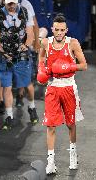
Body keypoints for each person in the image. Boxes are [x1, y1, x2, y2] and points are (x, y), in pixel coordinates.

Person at [37, 14, 87, 174]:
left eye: (62, 30)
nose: (59, 33)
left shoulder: (72, 43)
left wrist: (67, 67)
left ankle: (73, 153)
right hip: (52, 87)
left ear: (66, 30)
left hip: (69, 87)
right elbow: (41, 59)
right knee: (50, 125)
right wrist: (41, 71)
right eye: (56, 30)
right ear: (52, 29)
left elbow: (84, 65)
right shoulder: (46, 43)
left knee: (71, 124)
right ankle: (50, 162)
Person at [0, 0, 38, 128]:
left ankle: (32, 106)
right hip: (4, 56)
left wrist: (25, 46)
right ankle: (9, 116)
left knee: (27, 85)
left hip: (21, 55)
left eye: (13, 3)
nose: (11, 6)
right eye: (8, 3)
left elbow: (30, 34)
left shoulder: (25, 10)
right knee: (7, 86)